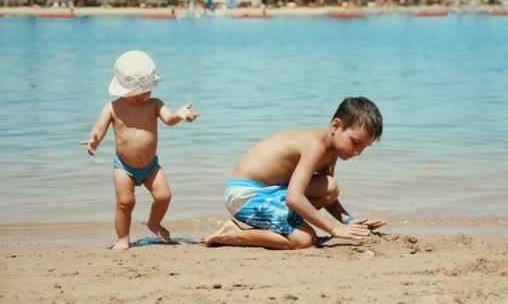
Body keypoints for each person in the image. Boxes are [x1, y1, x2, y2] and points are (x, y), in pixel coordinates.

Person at [204, 97, 387, 250]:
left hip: (269, 193)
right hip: (245, 196)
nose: (358, 152)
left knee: (329, 187)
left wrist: (349, 222)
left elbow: (327, 195)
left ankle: (283, 226)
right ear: (336, 126)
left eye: (365, 147)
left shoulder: (331, 148)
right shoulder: (314, 146)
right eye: (355, 142)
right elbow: (294, 198)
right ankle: (232, 233)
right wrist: (333, 228)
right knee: (305, 240)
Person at [80, 50, 198, 250]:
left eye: (147, 90)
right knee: (125, 203)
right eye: (138, 92)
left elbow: (169, 120)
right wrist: (94, 141)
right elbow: (99, 129)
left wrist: (180, 115)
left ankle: (154, 223)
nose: (144, 95)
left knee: (164, 196)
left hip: (151, 165)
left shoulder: (154, 104)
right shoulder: (112, 107)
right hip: (123, 167)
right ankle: (123, 238)